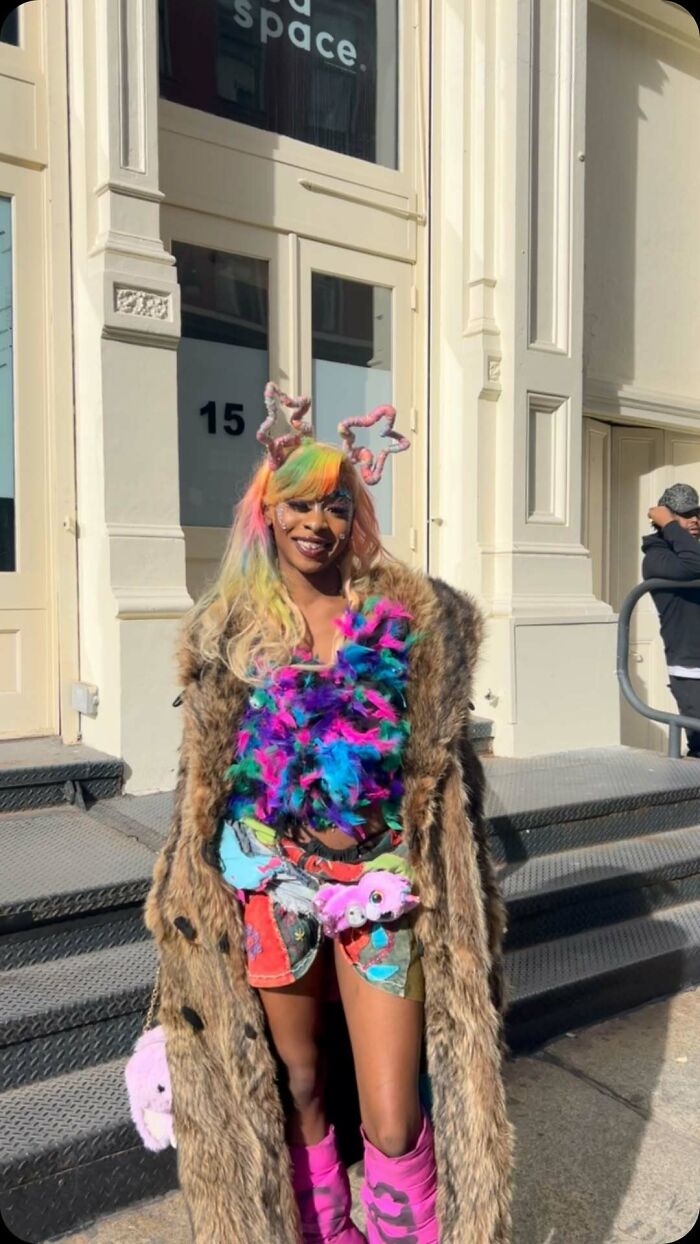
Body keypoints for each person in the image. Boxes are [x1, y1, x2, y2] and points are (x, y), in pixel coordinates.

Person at [144, 383, 512, 1244]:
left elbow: (444, 775)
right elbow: (203, 787)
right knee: (299, 1085)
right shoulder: (231, 632)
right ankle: (325, 1233)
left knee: (393, 1113)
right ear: (268, 513)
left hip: (377, 885)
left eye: (336, 505)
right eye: (300, 503)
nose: (317, 521)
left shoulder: (405, 623)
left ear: (356, 517)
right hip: (273, 883)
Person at [643, 483, 700, 758]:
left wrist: (674, 525)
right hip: (691, 668)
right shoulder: (656, 557)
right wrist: (669, 525)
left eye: (697, 514)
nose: (695, 520)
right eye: (685, 514)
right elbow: (694, 565)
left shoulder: (692, 550)